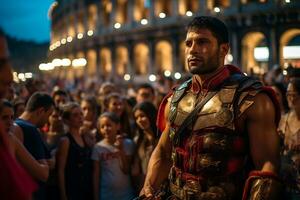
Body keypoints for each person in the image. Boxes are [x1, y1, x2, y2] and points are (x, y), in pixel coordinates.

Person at [140, 16, 282, 200]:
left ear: (223, 49)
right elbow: (164, 152)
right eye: (188, 43)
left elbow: (267, 168)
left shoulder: (251, 99)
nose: (193, 50)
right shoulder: (175, 98)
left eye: (202, 42)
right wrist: (149, 188)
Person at [14, 92, 55, 200]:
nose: (48, 121)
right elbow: (44, 174)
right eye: (49, 115)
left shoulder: (15, 124)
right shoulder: (30, 129)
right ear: (41, 111)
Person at [92, 112, 135, 200]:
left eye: (109, 125)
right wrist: (96, 196)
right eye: (102, 127)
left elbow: (126, 170)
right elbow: (96, 175)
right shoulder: (98, 148)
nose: (105, 129)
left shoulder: (128, 144)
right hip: (106, 195)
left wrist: (121, 149)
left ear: (118, 126)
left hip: (126, 195)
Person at [56, 102, 92, 200]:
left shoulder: (84, 137)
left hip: (86, 189)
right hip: (72, 190)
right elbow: (60, 170)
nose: (80, 117)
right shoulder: (66, 141)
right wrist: (63, 195)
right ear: (67, 120)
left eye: (81, 114)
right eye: (75, 115)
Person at [279, 78, 300, 199]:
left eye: (295, 95)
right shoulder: (284, 120)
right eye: (288, 94)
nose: (291, 98)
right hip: (287, 180)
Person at [132, 102, 160, 191]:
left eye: (142, 116)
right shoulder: (138, 140)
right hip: (145, 187)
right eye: (136, 118)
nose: (139, 120)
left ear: (151, 115)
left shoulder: (162, 138)